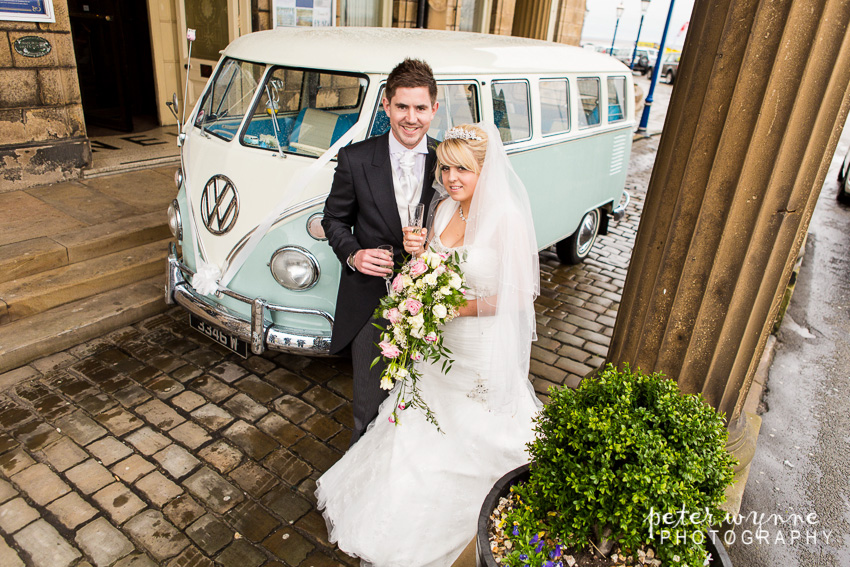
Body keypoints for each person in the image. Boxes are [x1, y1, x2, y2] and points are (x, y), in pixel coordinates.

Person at [316, 122, 542, 567]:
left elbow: (520, 295)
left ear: (484, 169)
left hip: (476, 350)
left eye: (463, 169)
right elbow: (432, 268)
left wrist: (458, 309)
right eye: (445, 167)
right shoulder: (440, 210)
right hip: (437, 348)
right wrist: (417, 258)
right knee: (415, 427)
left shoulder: (505, 220)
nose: (451, 178)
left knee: (476, 433)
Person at [322, 59, 440, 445]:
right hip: (371, 301)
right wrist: (354, 255)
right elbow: (334, 219)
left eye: (420, 108)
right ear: (386, 106)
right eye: (402, 106)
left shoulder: (448, 161)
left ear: (434, 109)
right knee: (369, 408)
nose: (411, 118)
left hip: (434, 305)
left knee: (425, 407)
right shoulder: (355, 158)